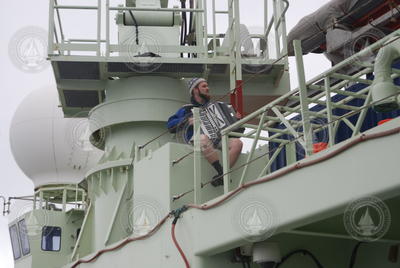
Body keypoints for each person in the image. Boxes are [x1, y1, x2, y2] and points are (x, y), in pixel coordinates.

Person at [167, 78, 243, 186]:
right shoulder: (187, 109)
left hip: (217, 140)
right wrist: (186, 120)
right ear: (195, 90)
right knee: (202, 138)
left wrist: (237, 120)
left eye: (207, 86)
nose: (207, 88)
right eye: (204, 86)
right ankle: (221, 173)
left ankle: (221, 175)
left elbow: (239, 131)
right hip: (197, 140)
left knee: (237, 143)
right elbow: (170, 125)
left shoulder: (218, 106)